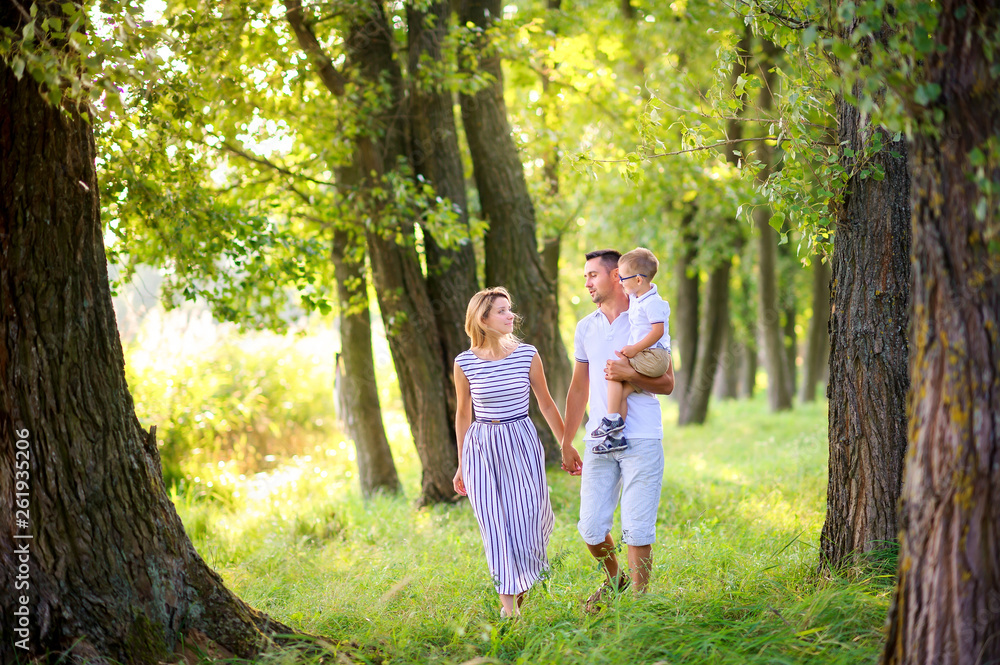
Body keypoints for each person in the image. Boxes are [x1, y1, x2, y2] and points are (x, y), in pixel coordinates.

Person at [560, 249, 674, 612]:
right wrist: (566, 440)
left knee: (638, 527)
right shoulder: (585, 327)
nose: (588, 283)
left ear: (616, 277)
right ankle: (615, 580)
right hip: (599, 438)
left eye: (592, 275)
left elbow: (668, 383)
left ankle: (639, 607)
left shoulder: (644, 318)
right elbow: (578, 388)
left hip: (641, 437)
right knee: (591, 527)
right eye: (585, 277)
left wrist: (631, 375)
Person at [452, 287, 565, 618]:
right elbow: (463, 414)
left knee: (529, 520)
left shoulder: (527, 354)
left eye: (509, 309)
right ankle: (509, 609)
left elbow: (545, 402)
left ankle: (519, 591)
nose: (510, 315)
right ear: (483, 319)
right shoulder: (464, 362)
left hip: (521, 441)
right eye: (502, 311)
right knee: (494, 526)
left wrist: (566, 444)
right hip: (482, 447)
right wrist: (461, 464)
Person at [589, 248, 672, 454]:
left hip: (654, 356)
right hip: (649, 355)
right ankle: (616, 436)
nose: (620, 282)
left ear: (638, 280)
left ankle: (611, 421)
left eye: (623, 278)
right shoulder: (639, 296)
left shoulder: (652, 303)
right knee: (622, 393)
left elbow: (658, 331)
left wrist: (634, 349)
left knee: (614, 371)